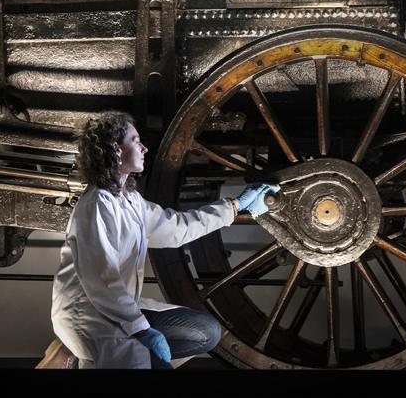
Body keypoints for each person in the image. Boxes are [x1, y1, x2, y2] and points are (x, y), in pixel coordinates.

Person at [50, 111, 279, 369]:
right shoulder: (97, 205)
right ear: (115, 149)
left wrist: (235, 206)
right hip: (89, 316)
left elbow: (178, 228)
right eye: (136, 140)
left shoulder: (130, 201)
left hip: (114, 310)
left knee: (206, 332)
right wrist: (141, 330)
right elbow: (102, 279)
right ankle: (81, 359)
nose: (144, 147)